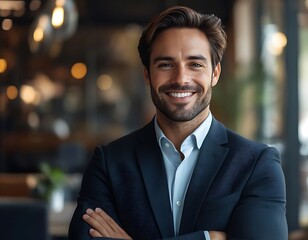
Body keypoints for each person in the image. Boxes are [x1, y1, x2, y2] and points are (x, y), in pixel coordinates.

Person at [68, 5, 288, 240]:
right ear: (147, 74)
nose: (181, 79)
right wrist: (209, 238)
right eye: (165, 64)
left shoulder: (257, 164)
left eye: (195, 64)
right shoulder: (109, 163)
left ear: (215, 73)